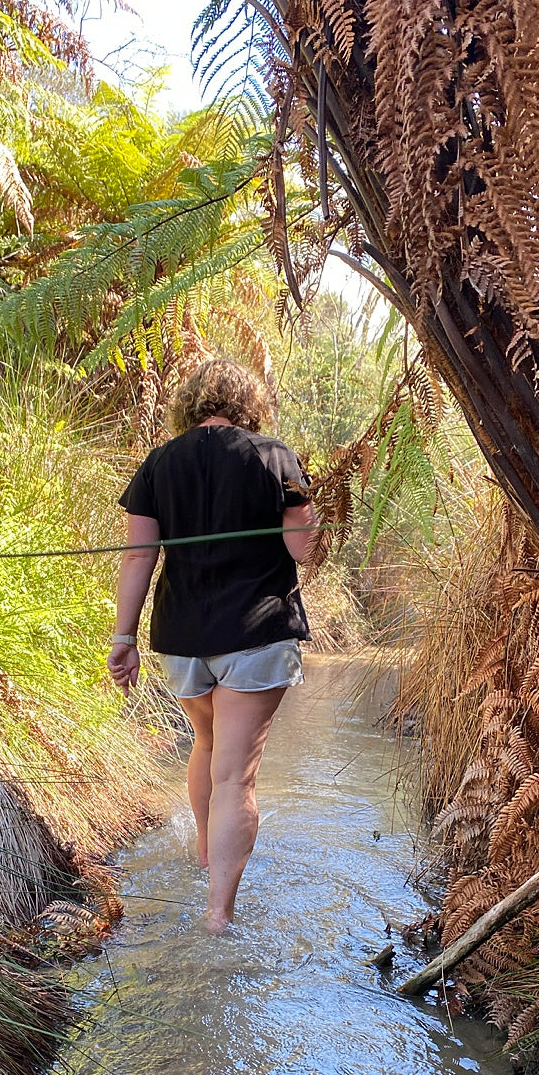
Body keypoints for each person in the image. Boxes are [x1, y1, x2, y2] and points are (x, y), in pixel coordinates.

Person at [107, 358, 318, 933]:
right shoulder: (274, 457)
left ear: (192, 405)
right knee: (235, 778)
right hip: (256, 636)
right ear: (249, 405)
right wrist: (311, 509)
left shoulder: (159, 463)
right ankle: (218, 914)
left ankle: (206, 853)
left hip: (181, 639)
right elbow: (303, 551)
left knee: (205, 742)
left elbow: (139, 556)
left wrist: (124, 636)